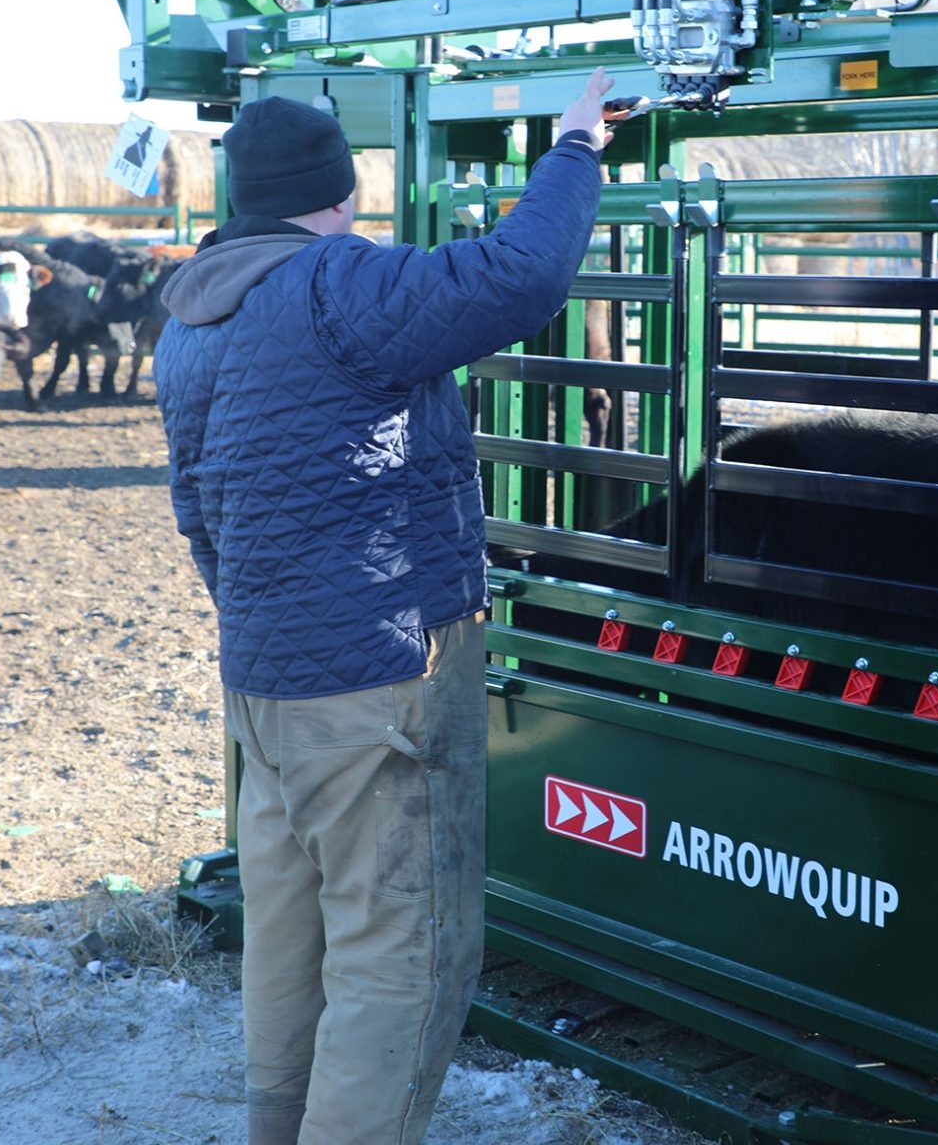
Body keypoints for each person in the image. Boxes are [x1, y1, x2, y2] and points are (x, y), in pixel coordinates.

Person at [154, 68, 614, 1145]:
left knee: (290, 924)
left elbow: (195, 510)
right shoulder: (336, 285)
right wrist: (576, 147)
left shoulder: (192, 313)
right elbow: (519, 271)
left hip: (264, 682)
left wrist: (272, 620)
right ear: (340, 192)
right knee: (403, 948)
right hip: (380, 676)